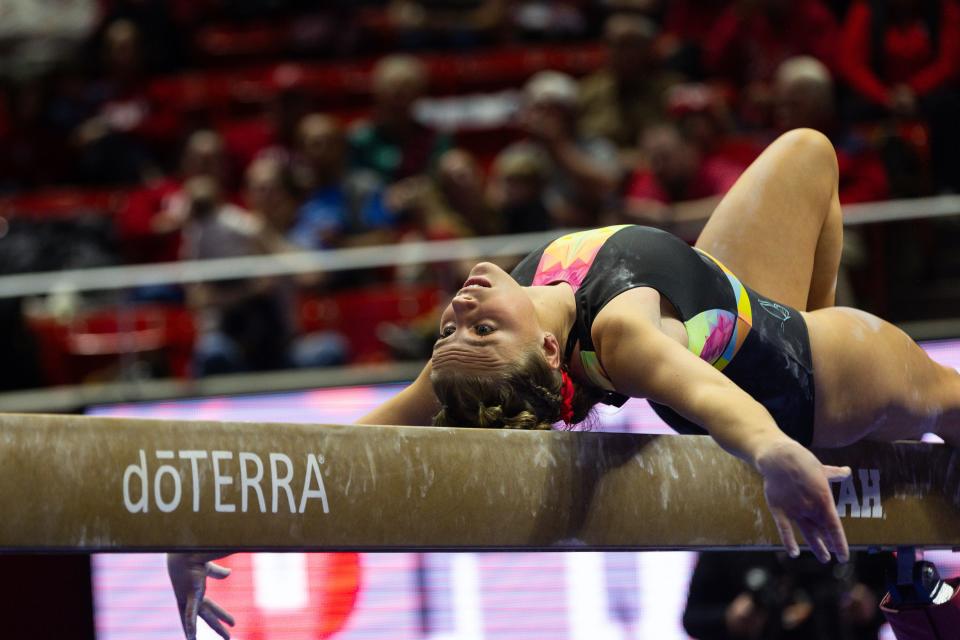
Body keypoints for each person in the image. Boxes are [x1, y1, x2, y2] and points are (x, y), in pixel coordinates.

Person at [167, 129, 960, 638]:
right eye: (479, 329)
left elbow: (342, 455)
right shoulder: (619, 331)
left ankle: (874, 483)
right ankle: (860, 449)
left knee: (809, 151)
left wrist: (213, 533)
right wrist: (774, 449)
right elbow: (715, 399)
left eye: (456, 327)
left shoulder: (498, 335)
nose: (462, 310)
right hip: (816, 376)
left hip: (747, 303)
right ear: (550, 352)